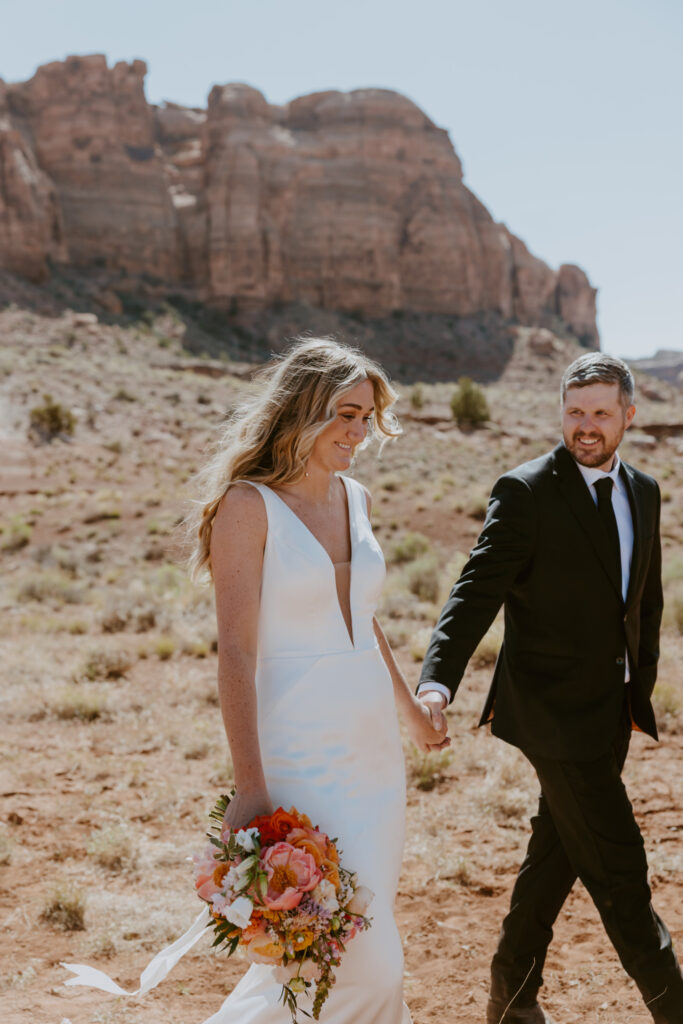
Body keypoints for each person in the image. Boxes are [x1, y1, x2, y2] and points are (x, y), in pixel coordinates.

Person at [417, 353, 683, 1024]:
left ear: (628, 414)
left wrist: (636, 688)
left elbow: (643, 600)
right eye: (573, 412)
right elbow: (474, 591)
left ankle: (509, 999)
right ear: (559, 413)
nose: (585, 426)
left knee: (556, 851)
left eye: (599, 412)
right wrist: (437, 683)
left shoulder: (644, 491)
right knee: (619, 868)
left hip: (610, 709)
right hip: (551, 713)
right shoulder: (526, 490)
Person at [187, 336, 447, 1023]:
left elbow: (362, 622)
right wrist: (250, 783)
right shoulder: (248, 506)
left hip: (373, 759)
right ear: (302, 411)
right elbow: (236, 652)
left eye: (366, 417)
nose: (358, 433)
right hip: (298, 751)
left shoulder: (355, 497)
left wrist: (411, 711)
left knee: (324, 952)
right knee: (365, 959)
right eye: (344, 414)